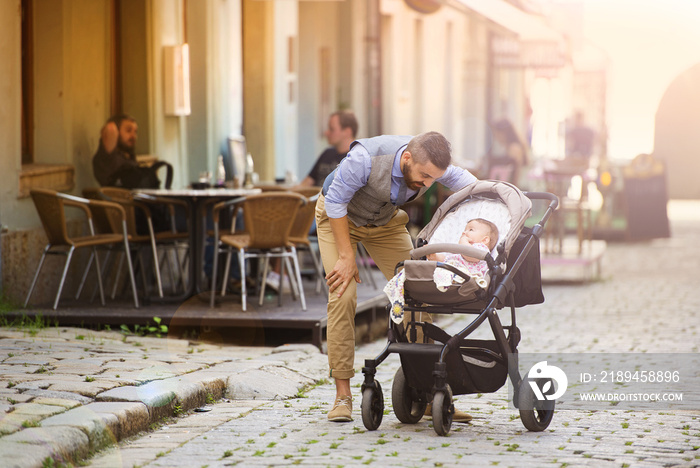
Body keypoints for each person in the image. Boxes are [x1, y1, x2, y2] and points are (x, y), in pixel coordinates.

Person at [315, 131, 478, 422]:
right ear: (406, 158)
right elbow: (336, 202)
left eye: (433, 179)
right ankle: (343, 395)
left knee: (418, 291)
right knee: (343, 294)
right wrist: (346, 257)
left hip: (385, 224)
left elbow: (471, 185)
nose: (427, 184)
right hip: (338, 219)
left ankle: (428, 392)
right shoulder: (365, 159)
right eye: (424, 176)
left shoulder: (432, 164)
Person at [384, 218, 498, 324]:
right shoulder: (459, 251)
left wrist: (463, 242)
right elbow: (447, 259)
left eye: (471, 230)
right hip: (450, 274)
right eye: (464, 230)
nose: (464, 232)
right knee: (432, 267)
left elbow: (470, 255)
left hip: (467, 283)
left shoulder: (481, 250)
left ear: (485, 239)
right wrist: (434, 256)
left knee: (446, 269)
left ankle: (443, 280)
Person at [299, 110, 358, 187]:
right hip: (316, 198)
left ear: (347, 132)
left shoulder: (357, 159)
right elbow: (306, 183)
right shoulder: (327, 153)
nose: (326, 133)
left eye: (331, 129)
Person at [92, 114, 140, 188]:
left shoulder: (128, 155)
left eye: (135, 131)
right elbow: (111, 128)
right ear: (116, 132)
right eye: (128, 130)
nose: (133, 136)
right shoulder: (107, 158)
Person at [485, 119, 529, 185]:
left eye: (497, 133)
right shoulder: (509, 147)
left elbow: (516, 173)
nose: (496, 137)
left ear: (504, 133)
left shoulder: (514, 148)